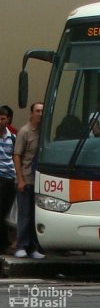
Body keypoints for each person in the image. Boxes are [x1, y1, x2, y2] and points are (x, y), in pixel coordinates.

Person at [13, 102, 45, 259]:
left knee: (36, 215)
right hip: (26, 178)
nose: (40, 114)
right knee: (24, 214)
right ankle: (21, 245)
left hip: (39, 180)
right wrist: (20, 179)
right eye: (37, 111)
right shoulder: (24, 132)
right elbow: (17, 155)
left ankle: (33, 247)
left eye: (42, 111)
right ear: (31, 113)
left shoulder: (45, 132)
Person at [0, 106, 16, 254]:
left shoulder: (12, 137)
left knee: (6, 212)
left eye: (3, 118)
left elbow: (15, 156)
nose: (0, 121)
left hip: (10, 177)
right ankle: (3, 244)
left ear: (8, 120)